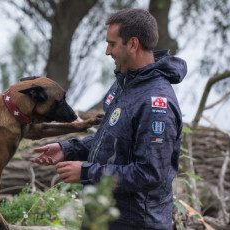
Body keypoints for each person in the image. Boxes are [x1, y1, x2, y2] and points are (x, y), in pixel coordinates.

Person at [30, 8, 187, 230]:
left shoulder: (155, 103)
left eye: (112, 44)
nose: (107, 51)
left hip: (137, 223)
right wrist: (68, 149)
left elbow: (150, 174)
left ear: (133, 44)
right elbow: (112, 139)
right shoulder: (124, 84)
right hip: (103, 216)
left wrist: (86, 172)